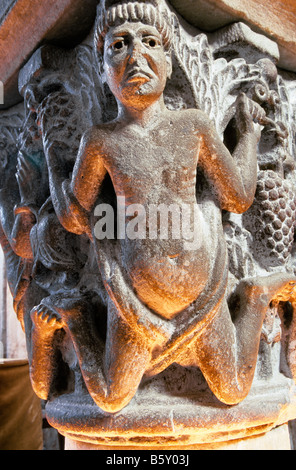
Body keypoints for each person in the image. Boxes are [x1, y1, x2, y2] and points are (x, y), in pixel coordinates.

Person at [30, 0, 296, 412]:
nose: (136, 55)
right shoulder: (101, 141)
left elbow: (238, 196)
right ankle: (80, 318)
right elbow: (74, 217)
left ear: (169, 64)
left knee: (232, 389)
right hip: (134, 301)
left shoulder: (193, 125)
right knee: (111, 397)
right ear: (103, 72)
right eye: (119, 45)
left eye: (150, 41)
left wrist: (246, 134)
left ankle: (256, 293)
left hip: (203, 295)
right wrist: (51, 153)